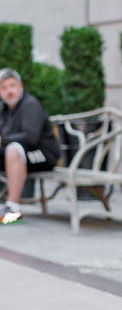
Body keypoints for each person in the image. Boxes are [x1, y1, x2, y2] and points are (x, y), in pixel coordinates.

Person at [0, 68, 61, 224]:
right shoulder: (4, 109)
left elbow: (31, 137)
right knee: (12, 149)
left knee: (13, 149)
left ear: (20, 86)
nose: (9, 91)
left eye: (12, 86)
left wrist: (3, 140)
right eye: (4, 87)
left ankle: (13, 210)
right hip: (20, 155)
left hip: (43, 155)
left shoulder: (30, 104)